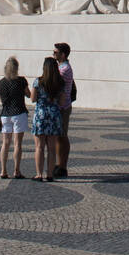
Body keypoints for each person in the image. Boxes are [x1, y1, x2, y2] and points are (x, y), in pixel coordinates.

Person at [0, 56, 30, 179]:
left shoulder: (1, 83)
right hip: (19, 112)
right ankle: (16, 170)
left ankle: (3, 170)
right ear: (17, 68)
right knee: (17, 144)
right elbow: (29, 94)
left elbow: (1, 100)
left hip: (5, 114)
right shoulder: (21, 81)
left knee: (5, 143)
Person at [30, 56, 64, 181]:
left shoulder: (38, 81)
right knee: (51, 148)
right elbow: (62, 102)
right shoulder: (60, 83)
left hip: (41, 115)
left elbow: (33, 99)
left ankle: (39, 174)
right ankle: (50, 174)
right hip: (54, 116)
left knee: (39, 147)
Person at [53, 42, 74, 178]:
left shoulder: (64, 69)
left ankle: (62, 166)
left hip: (63, 106)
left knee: (62, 136)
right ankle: (58, 164)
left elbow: (53, 82)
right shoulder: (61, 66)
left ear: (63, 54)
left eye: (55, 52)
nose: (53, 54)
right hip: (60, 106)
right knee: (58, 136)